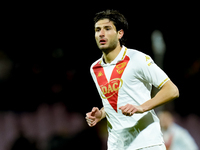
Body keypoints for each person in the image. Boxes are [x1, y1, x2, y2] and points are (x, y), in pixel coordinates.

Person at [85, 10, 179, 150]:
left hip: (147, 143)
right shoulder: (95, 68)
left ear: (120, 34)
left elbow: (172, 90)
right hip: (117, 145)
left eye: (107, 28)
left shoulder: (137, 59)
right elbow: (116, 100)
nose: (101, 34)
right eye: (97, 30)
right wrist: (102, 113)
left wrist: (142, 107)